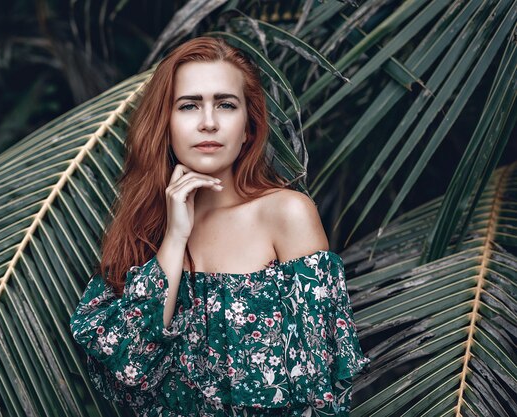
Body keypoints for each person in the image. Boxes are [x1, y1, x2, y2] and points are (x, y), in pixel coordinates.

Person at [70, 36, 370, 417]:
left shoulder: (287, 214)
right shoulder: (144, 236)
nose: (208, 122)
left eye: (226, 105)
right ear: (166, 123)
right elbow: (130, 363)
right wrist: (175, 237)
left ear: (248, 127)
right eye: (189, 105)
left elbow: (324, 391)